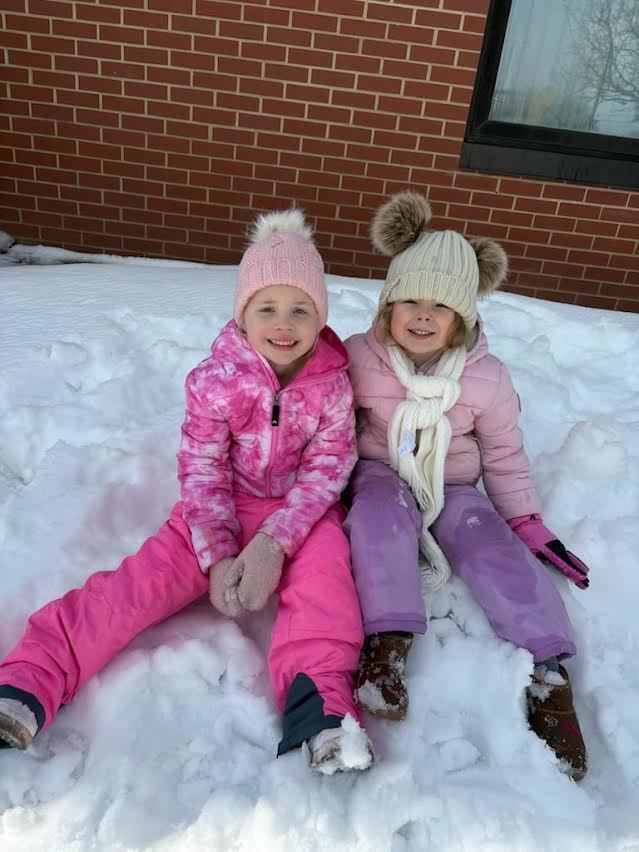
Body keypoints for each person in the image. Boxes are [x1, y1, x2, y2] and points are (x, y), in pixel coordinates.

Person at [0, 209, 373, 775]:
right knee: (135, 588)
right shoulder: (215, 381)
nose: (284, 323)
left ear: (320, 316)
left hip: (301, 514)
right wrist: (217, 552)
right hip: (217, 507)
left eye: (300, 309)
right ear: (243, 314)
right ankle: (31, 679)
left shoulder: (332, 386)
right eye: (267, 308)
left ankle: (320, 709)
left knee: (327, 591)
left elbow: (329, 466)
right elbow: (202, 466)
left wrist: (275, 543)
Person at [343, 190, 590, 781]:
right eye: (410, 300)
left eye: (441, 306)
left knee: (488, 543)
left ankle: (548, 669)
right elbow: (328, 424)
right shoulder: (357, 357)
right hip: (379, 471)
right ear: (388, 304)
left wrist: (524, 518)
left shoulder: (486, 379)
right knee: (376, 520)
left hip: (451, 483)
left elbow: (502, 452)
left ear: (463, 319)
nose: (423, 316)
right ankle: (387, 645)